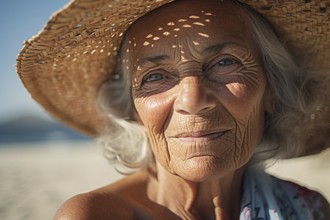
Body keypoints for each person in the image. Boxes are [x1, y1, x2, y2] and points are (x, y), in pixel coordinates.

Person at [16, 0, 330, 219]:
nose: (192, 99)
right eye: (154, 77)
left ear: (272, 90)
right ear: (132, 110)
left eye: (224, 63)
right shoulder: (93, 216)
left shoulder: (308, 209)